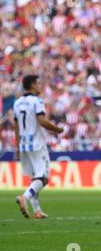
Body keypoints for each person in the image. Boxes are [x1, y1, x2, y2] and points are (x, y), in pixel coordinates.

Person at [14, 75, 64, 219]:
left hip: (24, 144)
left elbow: (16, 126)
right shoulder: (37, 101)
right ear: (32, 86)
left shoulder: (17, 103)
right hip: (36, 143)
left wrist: (17, 146)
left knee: (35, 177)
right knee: (43, 177)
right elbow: (42, 121)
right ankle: (25, 197)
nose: (40, 85)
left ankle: (37, 210)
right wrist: (57, 129)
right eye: (38, 83)